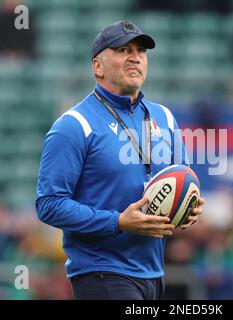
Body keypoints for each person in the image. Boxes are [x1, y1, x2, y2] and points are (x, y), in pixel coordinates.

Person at [35, 20, 205, 300]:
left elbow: (182, 180)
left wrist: (188, 208)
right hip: (101, 273)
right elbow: (49, 205)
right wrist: (117, 222)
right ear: (97, 67)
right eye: (123, 49)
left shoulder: (164, 117)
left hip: (153, 274)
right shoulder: (74, 125)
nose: (135, 57)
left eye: (141, 51)